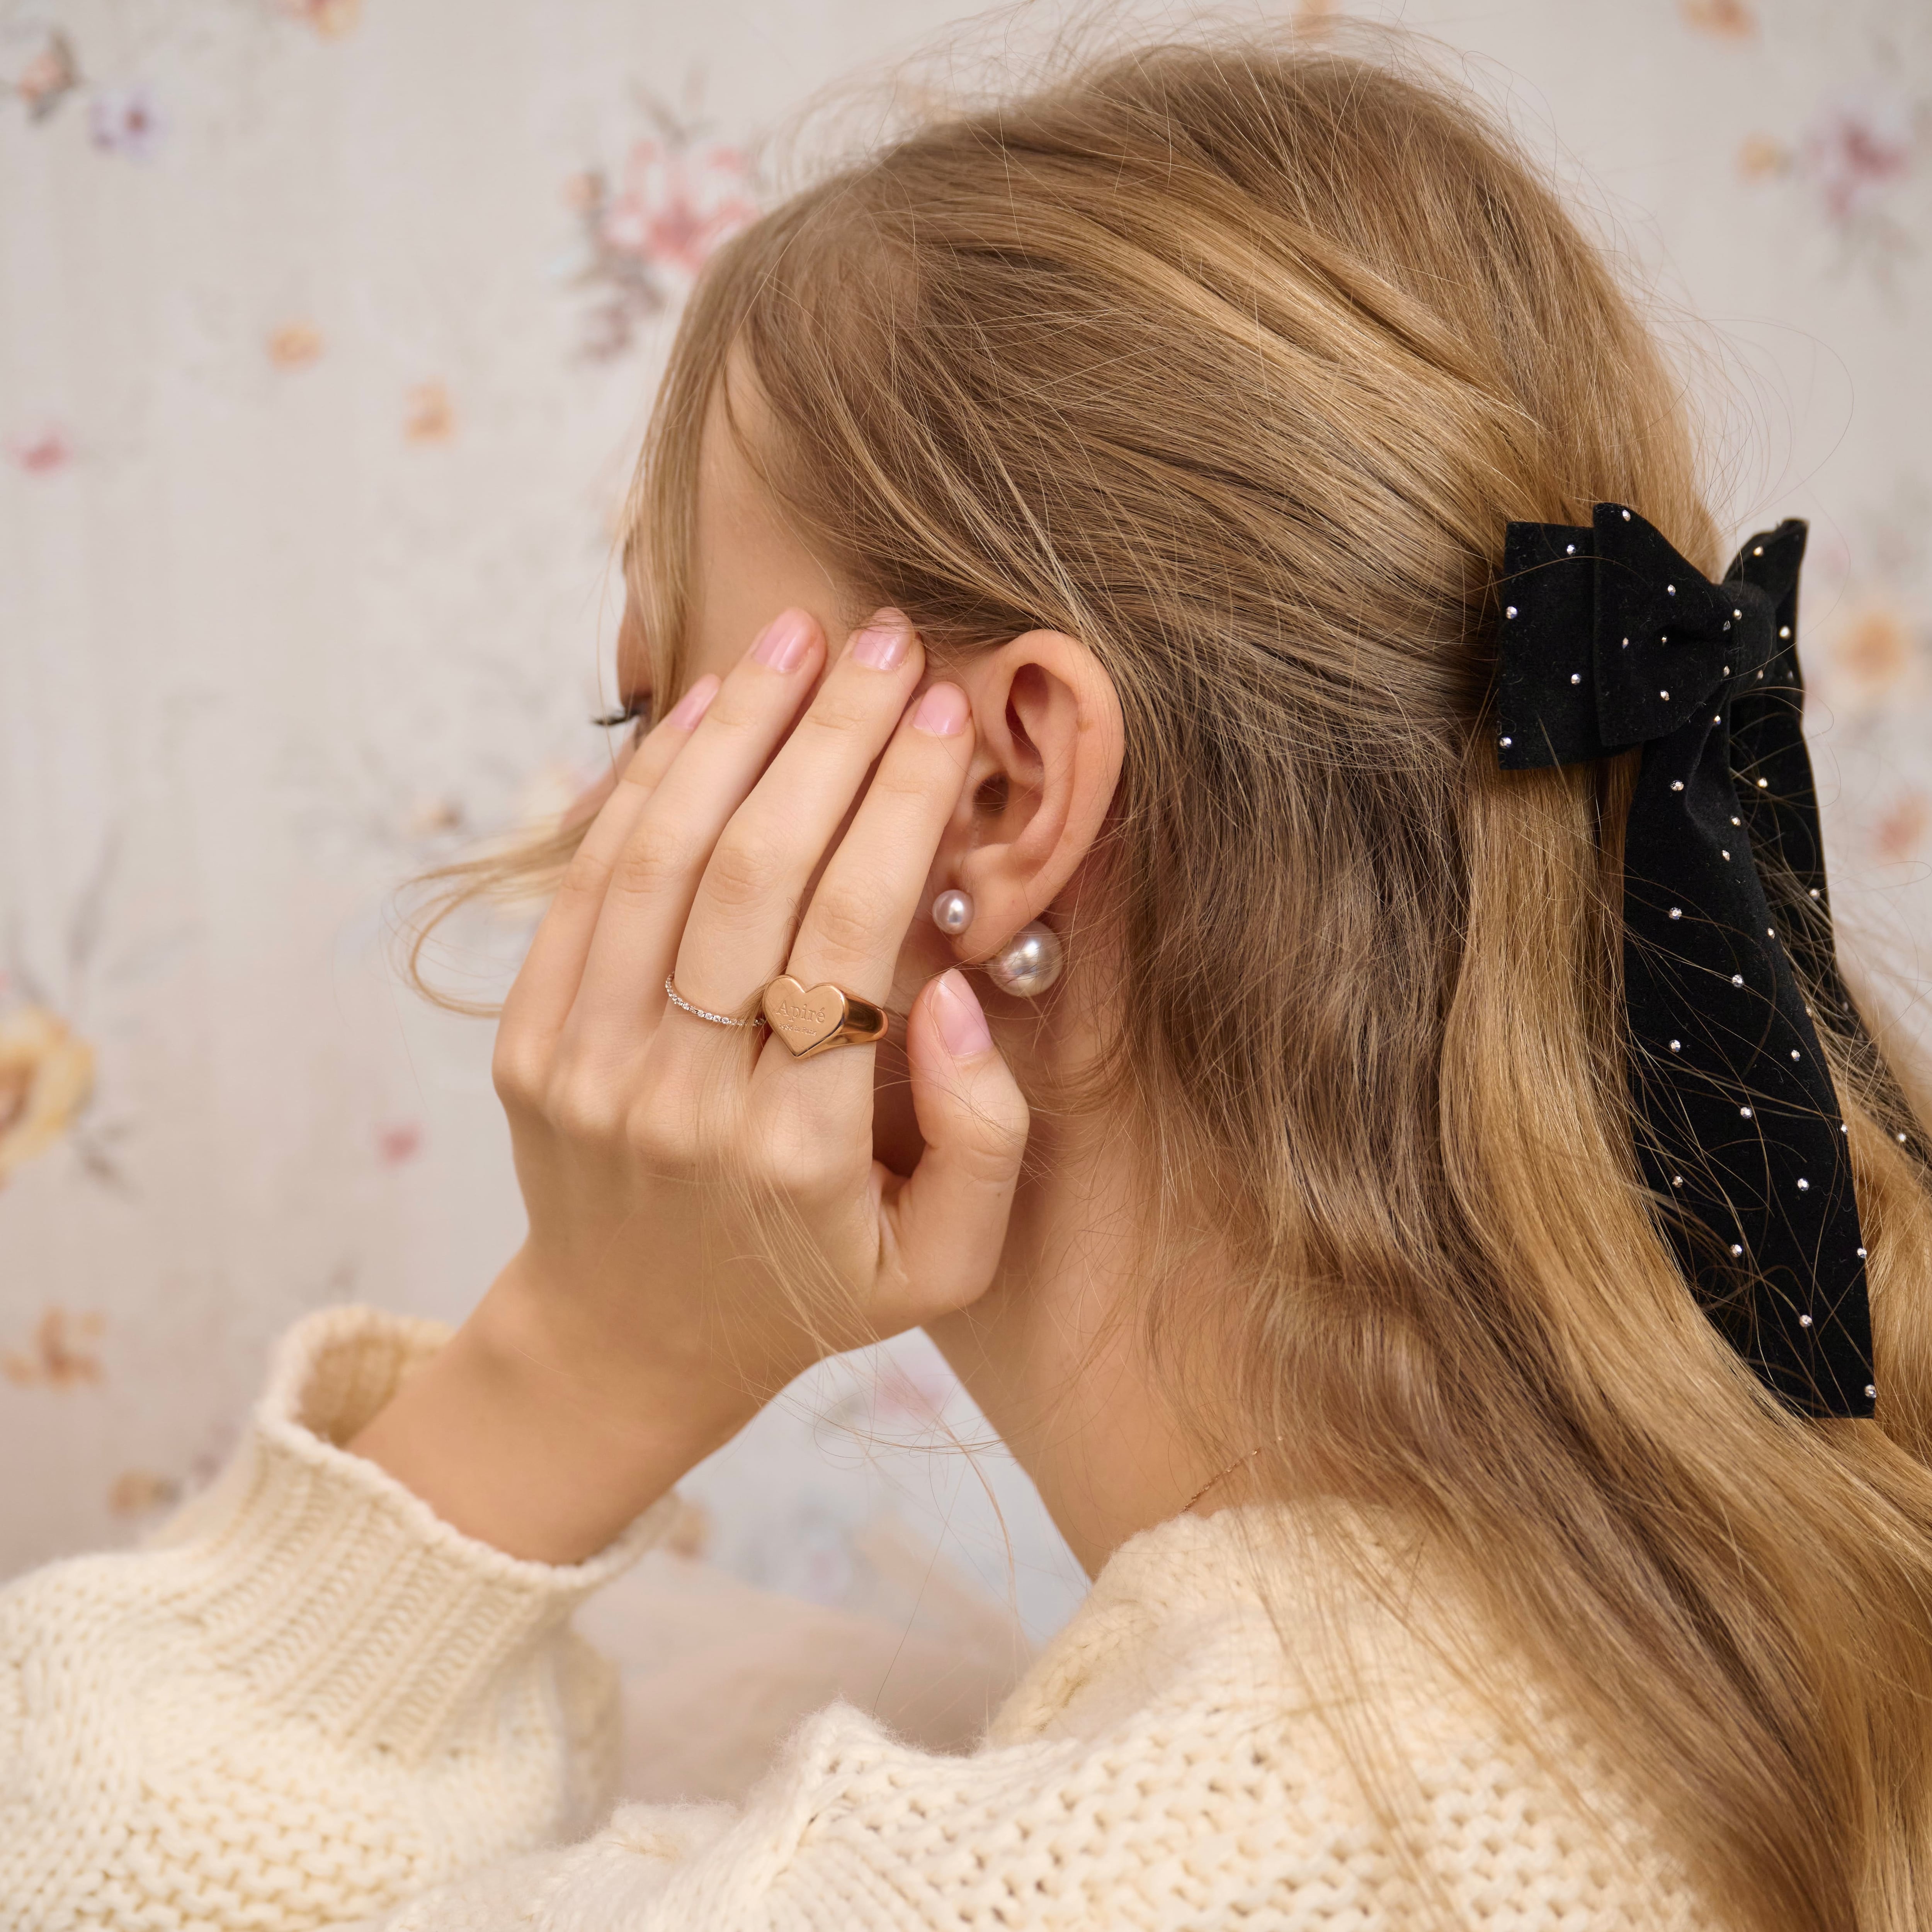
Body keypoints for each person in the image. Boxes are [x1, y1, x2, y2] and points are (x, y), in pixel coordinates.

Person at [6, 29, 1932, 1932]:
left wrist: (569, 1368)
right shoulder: (1739, 1627)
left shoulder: (1057, 1886)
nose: (600, 825)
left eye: (653, 709)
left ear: (996, 790)